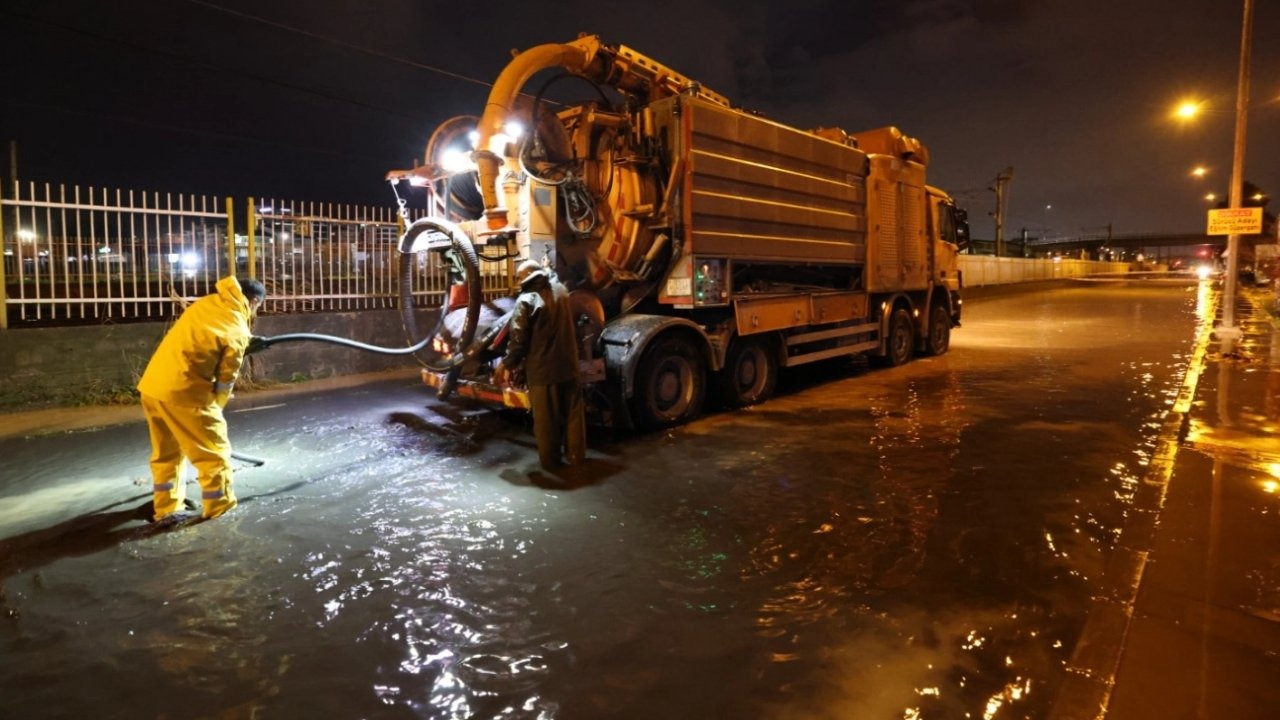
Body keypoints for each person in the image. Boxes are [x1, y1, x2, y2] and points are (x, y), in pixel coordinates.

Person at [137, 276, 266, 523]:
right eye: (257, 307)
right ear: (253, 301)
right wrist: (214, 410)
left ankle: (166, 509)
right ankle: (220, 510)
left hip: (153, 388)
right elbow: (225, 381)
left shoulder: (205, 304)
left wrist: (243, 345)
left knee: (167, 455)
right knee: (215, 458)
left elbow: (203, 339)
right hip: (186, 395)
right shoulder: (237, 329)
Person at [499, 260, 586, 470]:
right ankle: (577, 459)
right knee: (574, 417)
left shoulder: (526, 300)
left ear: (526, 276)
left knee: (546, 423)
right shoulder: (562, 291)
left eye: (519, 277)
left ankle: (551, 465)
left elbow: (518, 339)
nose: (518, 282)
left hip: (543, 372)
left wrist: (507, 365)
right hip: (570, 367)